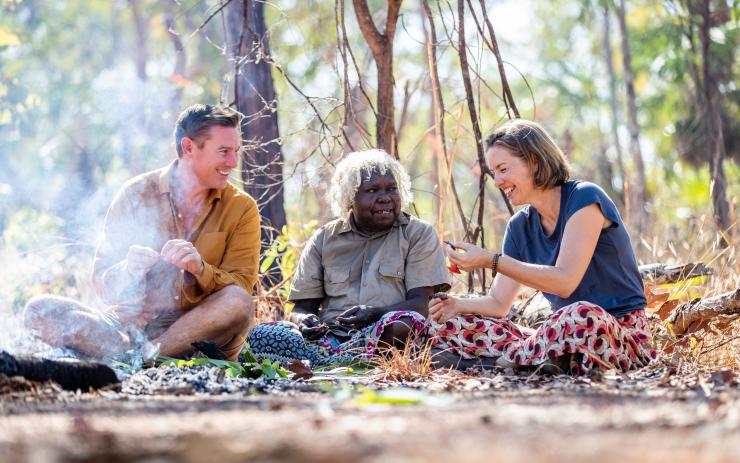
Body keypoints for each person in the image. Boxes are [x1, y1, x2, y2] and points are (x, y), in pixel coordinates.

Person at [23, 104, 261, 362]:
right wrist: (128, 270)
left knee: (238, 300)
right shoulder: (135, 194)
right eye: (224, 152)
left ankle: (145, 357)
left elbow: (242, 285)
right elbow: (102, 282)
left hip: (200, 328)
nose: (233, 162)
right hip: (127, 328)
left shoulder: (242, 207)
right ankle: (130, 355)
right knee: (39, 310)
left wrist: (200, 269)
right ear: (188, 148)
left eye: (236, 151)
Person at [428, 119, 656, 374]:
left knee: (581, 314)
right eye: (494, 173)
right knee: (449, 324)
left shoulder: (584, 198)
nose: (498, 181)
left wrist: (491, 261)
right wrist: (457, 305)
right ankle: (533, 359)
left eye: (503, 169)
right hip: (557, 334)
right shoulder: (519, 227)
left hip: (612, 333)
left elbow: (565, 282)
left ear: (534, 161)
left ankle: (504, 362)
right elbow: (498, 303)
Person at [246, 149, 450, 366]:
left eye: (392, 189)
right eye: (372, 190)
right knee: (260, 335)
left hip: (384, 334)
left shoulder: (418, 234)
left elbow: (422, 304)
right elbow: (302, 309)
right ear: (349, 197)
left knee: (403, 325)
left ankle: (339, 362)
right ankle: (335, 360)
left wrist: (374, 314)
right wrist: (305, 321)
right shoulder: (324, 239)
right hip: (330, 337)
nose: (385, 198)